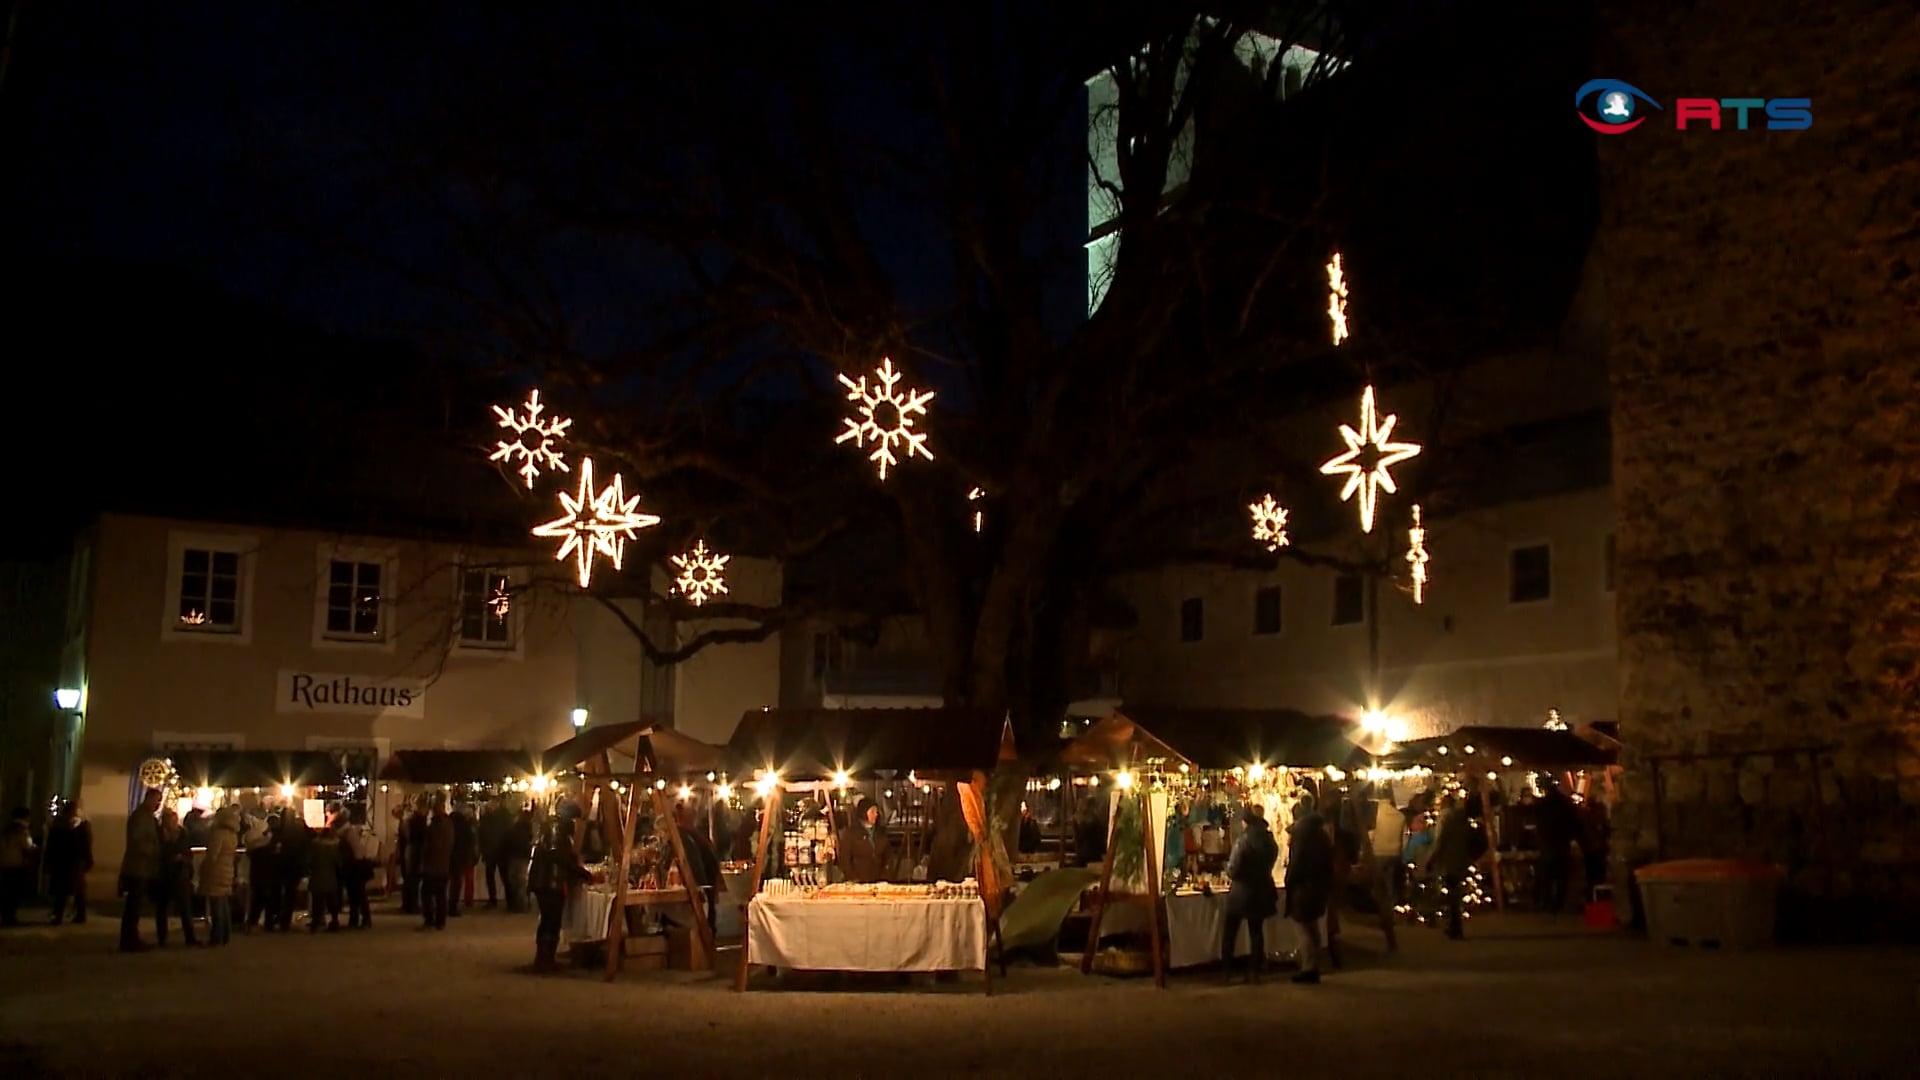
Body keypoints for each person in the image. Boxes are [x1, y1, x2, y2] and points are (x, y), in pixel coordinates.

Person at [1221, 804, 1279, 983]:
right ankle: (1255, 971)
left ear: (1247, 823)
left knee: (1230, 932)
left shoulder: (1243, 841)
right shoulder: (1270, 841)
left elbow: (1233, 870)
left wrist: (1226, 868)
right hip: (1262, 890)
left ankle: (1227, 971)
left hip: (1241, 892)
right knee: (1256, 931)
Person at [1283, 794, 1335, 985]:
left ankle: (1308, 966)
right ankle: (1313, 964)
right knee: (1312, 927)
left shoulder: (1302, 834)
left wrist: (1290, 879)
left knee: (1303, 927)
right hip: (1318, 885)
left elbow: (1297, 861)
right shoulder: (1320, 833)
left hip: (1304, 886)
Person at [527, 814, 589, 971]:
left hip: (544, 883)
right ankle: (546, 959)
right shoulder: (559, 838)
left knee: (547, 921)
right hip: (551, 884)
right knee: (551, 921)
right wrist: (583, 873)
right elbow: (562, 860)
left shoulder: (548, 835)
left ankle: (543, 957)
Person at [118, 789, 163, 952]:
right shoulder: (141, 817)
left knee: (135, 906)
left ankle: (131, 938)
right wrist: (151, 850)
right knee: (133, 906)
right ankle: (129, 940)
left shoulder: (146, 816)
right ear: (149, 798)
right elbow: (137, 841)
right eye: (157, 800)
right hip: (138, 867)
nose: (158, 804)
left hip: (142, 867)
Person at [1428, 794, 1476, 940]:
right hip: (1460, 858)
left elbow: (1440, 840)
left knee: (1451, 894)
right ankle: (1456, 925)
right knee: (1456, 892)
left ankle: (1454, 926)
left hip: (1448, 859)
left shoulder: (1444, 818)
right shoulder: (1462, 818)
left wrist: (1432, 858)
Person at [154, 808, 200, 947]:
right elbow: (156, 853)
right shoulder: (159, 834)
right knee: (162, 908)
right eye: (169, 820)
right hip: (163, 875)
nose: (172, 823)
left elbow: (188, 852)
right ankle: (162, 938)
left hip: (180, 875)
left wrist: (183, 859)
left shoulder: (182, 833)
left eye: (174, 820)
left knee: (185, 908)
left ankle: (189, 937)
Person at [1534, 778, 1580, 913]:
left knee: (1547, 876)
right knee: (1561, 875)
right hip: (1561, 843)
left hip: (1548, 844)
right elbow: (1573, 823)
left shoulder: (1542, 806)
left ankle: (1547, 902)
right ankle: (1559, 901)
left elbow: (1539, 824)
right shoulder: (1566, 804)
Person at [1367, 792, 1405, 952]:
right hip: (1394, 853)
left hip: (1378, 852)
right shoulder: (1400, 816)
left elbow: (1370, 835)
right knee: (1390, 887)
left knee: (1377, 886)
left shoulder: (1375, 814)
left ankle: (1383, 915)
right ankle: (1389, 912)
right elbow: (1404, 837)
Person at [44, 799, 92, 925]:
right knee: (78, 889)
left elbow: (51, 845)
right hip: (76, 861)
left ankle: (58, 915)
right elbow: (86, 845)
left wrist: (48, 862)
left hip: (61, 861)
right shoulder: (82, 825)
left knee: (62, 891)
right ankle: (80, 914)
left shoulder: (58, 825)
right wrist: (88, 860)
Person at [197, 806, 239, 947]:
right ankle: (225, 935)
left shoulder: (219, 834)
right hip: (227, 871)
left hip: (216, 872)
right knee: (223, 903)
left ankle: (217, 937)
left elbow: (212, 855)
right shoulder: (232, 834)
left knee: (216, 906)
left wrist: (204, 868)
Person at [835, 797, 891, 883]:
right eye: (872, 811)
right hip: (857, 882)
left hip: (879, 882)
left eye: (876, 812)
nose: (876, 814)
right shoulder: (851, 833)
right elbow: (844, 859)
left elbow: (888, 856)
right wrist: (853, 878)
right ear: (864, 813)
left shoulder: (881, 833)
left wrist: (885, 876)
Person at [339, 804, 376, 929]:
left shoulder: (346, 832)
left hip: (354, 865)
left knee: (357, 894)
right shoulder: (350, 830)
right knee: (356, 894)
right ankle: (357, 919)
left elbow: (354, 851)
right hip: (357, 864)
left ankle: (362, 919)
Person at [420, 793, 454, 930]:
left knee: (427, 894)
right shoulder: (448, 824)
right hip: (443, 865)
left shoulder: (436, 825)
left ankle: (430, 920)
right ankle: (440, 921)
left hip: (433, 865)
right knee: (440, 895)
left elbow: (432, 844)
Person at [307, 814, 343, 932]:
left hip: (317, 874)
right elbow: (338, 861)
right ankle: (334, 921)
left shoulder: (315, 844)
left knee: (317, 901)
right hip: (331, 875)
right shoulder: (336, 845)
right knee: (332, 900)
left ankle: (316, 923)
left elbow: (310, 860)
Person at [0, 807, 35, 926]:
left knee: (6, 892)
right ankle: (10, 917)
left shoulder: (5, 829)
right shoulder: (22, 830)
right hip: (16, 865)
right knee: (14, 893)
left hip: (4, 864)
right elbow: (27, 846)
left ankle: (6, 916)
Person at [479, 797, 511, 908]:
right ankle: (501, 899)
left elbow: (482, 833)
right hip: (496, 851)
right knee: (499, 876)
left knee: (502, 876)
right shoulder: (502, 816)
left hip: (497, 851)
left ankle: (501, 899)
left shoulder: (492, 817)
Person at [449, 801, 479, 917]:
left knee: (453, 882)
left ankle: (451, 904)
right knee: (458, 882)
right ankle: (457, 904)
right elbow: (470, 841)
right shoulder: (466, 825)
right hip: (462, 856)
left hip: (452, 855)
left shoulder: (450, 822)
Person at [504, 805, 535, 912]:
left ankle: (518, 905)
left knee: (516, 882)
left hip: (514, 857)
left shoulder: (514, 828)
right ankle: (522, 905)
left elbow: (509, 841)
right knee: (521, 882)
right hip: (522, 857)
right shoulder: (527, 829)